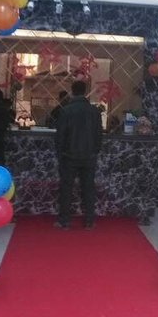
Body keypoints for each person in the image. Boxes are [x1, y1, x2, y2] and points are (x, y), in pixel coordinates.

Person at [54, 81, 102, 230]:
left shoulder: (66, 111)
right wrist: (95, 150)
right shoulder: (94, 111)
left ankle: (64, 221)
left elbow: (60, 135)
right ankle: (89, 221)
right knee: (88, 188)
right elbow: (98, 134)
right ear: (85, 92)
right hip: (89, 156)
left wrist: (60, 153)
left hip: (69, 155)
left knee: (66, 189)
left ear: (72, 91)